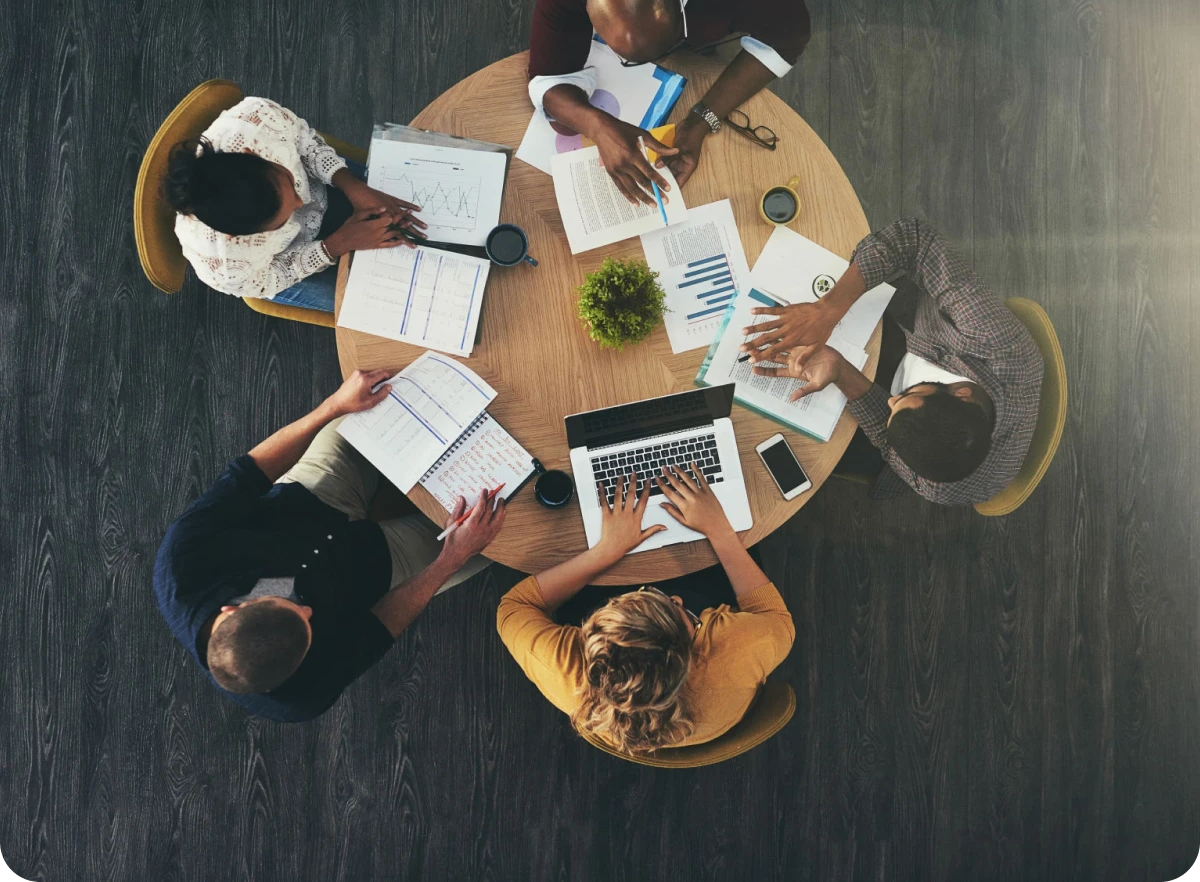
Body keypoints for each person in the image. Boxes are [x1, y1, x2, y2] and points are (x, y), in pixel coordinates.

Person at [153, 368, 505, 723]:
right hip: (374, 568)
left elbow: (250, 472)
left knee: (390, 390)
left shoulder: (182, 562)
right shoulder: (301, 697)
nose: (308, 610)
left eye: (293, 607)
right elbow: (379, 626)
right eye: (308, 623)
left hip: (315, 494)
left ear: (230, 611)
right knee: (502, 533)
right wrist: (450, 559)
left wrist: (333, 406)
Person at [528, 0, 811, 206]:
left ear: (682, 16)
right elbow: (547, 80)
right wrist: (598, 126)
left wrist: (700, 122)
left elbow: (790, 38)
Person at [743, 217, 1044, 505]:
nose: (889, 401)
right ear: (962, 393)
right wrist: (827, 310)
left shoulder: (940, 485)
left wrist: (841, 372)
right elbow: (915, 239)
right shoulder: (994, 342)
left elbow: (888, 444)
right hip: (909, 327)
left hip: (874, 378)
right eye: (907, 397)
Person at [496, 465, 794, 755]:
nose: (676, 598)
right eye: (677, 609)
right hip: (714, 719)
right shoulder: (736, 652)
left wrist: (606, 552)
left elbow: (515, 605)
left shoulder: (564, 669)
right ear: (693, 656)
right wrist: (720, 531)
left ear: (591, 632)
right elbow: (774, 615)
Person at [166, 96, 425, 312]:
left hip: (324, 183)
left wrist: (350, 184)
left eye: (290, 180)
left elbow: (304, 141)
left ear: (252, 153)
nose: (302, 201)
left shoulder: (256, 123)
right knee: (393, 304)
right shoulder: (226, 265)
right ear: (238, 237)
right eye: (282, 219)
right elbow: (272, 276)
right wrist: (337, 244)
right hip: (288, 261)